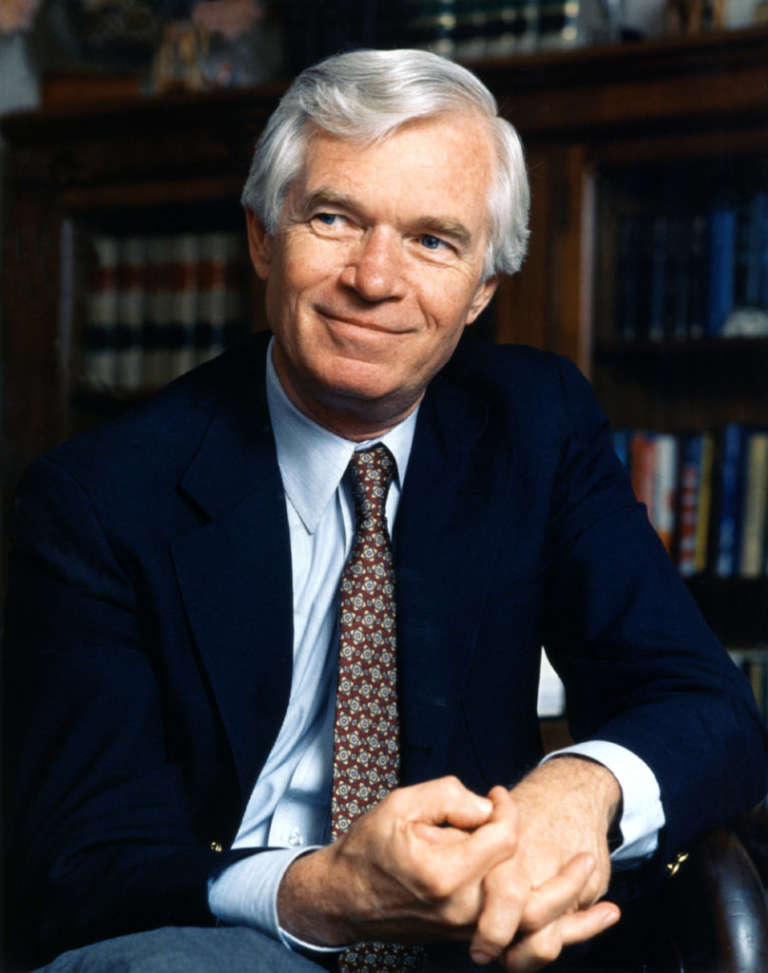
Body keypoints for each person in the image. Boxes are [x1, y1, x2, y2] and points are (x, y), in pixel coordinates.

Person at [3, 48, 766, 973]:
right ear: (262, 238)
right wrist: (326, 891)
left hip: (480, 950)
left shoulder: (533, 424)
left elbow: (709, 706)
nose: (375, 278)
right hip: (227, 937)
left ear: (481, 290)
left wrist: (578, 787)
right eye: (334, 218)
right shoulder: (99, 498)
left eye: (433, 241)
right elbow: (80, 863)